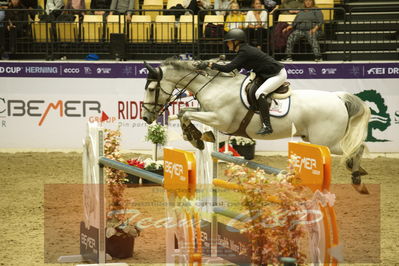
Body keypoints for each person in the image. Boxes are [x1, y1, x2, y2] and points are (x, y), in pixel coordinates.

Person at [197, 28, 287, 135]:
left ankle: (267, 126)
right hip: (266, 75)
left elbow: (227, 68)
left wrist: (209, 64)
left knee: (260, 93)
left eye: (229, 42)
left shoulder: (244, 52)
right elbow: (235, 70)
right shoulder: (244, 51)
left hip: (277, 74)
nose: (227, 45)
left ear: (236, 42)